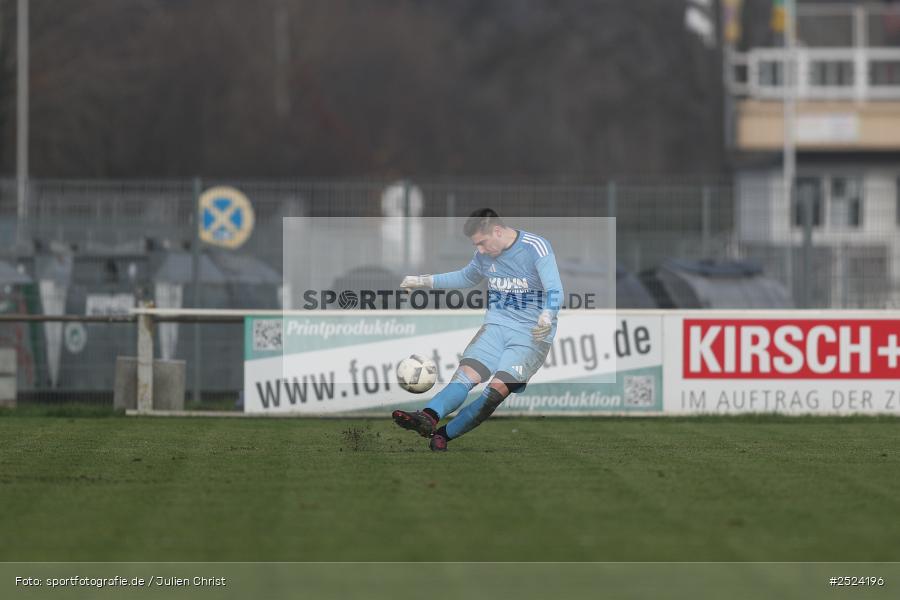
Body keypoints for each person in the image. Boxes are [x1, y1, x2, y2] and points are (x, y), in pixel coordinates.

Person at [392, 208, 563, 451]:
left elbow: (554, 288)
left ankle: (443, 435)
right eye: (476, 245)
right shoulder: (484, 256)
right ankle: (427, 417)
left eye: (482, 243)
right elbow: (465, 277)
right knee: (465, 376)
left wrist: (547, 314)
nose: (480, 250)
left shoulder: (536, 246)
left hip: (530, 336)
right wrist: (423, 281)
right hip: (496, 327)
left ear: (497, 230)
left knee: (492, 395)